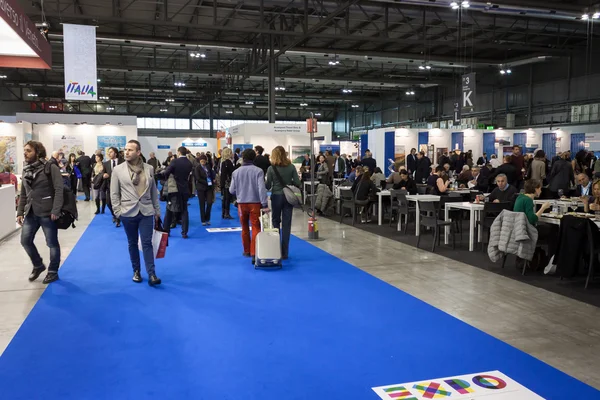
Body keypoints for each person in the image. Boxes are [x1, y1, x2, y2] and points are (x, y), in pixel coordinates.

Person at [110, 140, 162, 286]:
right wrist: (118, 212)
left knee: (147, 243)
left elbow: (153, 192)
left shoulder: (149, 168)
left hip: (146, 211)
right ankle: (136, 271)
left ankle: (152, 274)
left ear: (138, 152)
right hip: (127, 212)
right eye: (125, 150)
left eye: (130, 150)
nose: (126, 152)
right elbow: (114, 193)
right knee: (132, 243)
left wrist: (157, 210)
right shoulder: (118, 170)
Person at [17, 141, 63, 284]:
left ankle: (53, 271)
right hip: (31, 212)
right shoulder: (26, 169)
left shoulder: (50, 167)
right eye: (24, 150)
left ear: (38, 152)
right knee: (25, 240)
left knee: (52, 243)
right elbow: (24, 192)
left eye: (29, 150)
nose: (25, 153)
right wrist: (20, 211)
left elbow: (59, 189)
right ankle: (38, 265)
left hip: (48, 212)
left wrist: (56, 209)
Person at [229, 149, 269, 263]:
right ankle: (254, 252)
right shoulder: (258, 171)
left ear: (243, 157)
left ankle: (246, 250)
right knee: (256, 227)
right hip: (255, 203)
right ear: (253, 158)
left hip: (242, 204)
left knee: (244, 227)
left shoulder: (236, 172)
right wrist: (265, 204)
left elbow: (232, 190)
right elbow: (262, 189)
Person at [265, 146, 300, 260]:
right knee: (286, 224)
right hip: (288, 197)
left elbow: (268, 185)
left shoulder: (271, 168)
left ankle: (276, 250)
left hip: (276, 196)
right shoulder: (291, 167)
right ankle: (285, 252)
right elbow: (297, 182)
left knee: (275, 222)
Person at [513, 179, 557, 259]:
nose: (540, 191)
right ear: (536, 189)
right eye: (540, 188)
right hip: (527, 231)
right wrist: (543, 208)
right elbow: (532, 219)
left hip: (518, 229)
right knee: (554, 230)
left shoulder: (520, 197)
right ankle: (552, 258)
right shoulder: (528, 200)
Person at [163, 146, 193, 237]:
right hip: (184, 189)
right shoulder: (189, 163)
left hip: (174, 189)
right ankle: (184, 232)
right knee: (184, 211)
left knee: (169, 210)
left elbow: (166, 173)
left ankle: (166, 231)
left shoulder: (174, 162)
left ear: (179, 152)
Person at [103, 147, 124, 227]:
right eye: (108, 152)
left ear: (115, 153)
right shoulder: (106, 164)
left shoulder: (123, 162)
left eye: (111, 152)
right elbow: (103, 173)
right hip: (109, 186)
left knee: (120, 202)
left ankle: (118, 218)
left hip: (121, 186)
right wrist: (104, 175)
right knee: (108, 203)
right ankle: (115, 215)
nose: (109, 153)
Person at [195, 154, 215, 226]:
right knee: (202, 204)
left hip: (209, 188)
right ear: (200, 161)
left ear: (206, 161)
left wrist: (213, 180)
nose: (203, 162)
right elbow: (198, 178)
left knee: (210, 202)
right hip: (201, 188)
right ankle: (203, 220)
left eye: (204, 161)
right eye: (201, 161)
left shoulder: (208, 167)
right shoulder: (197, 168)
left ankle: (207, 218)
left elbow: (211, 175)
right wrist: (207, 182)